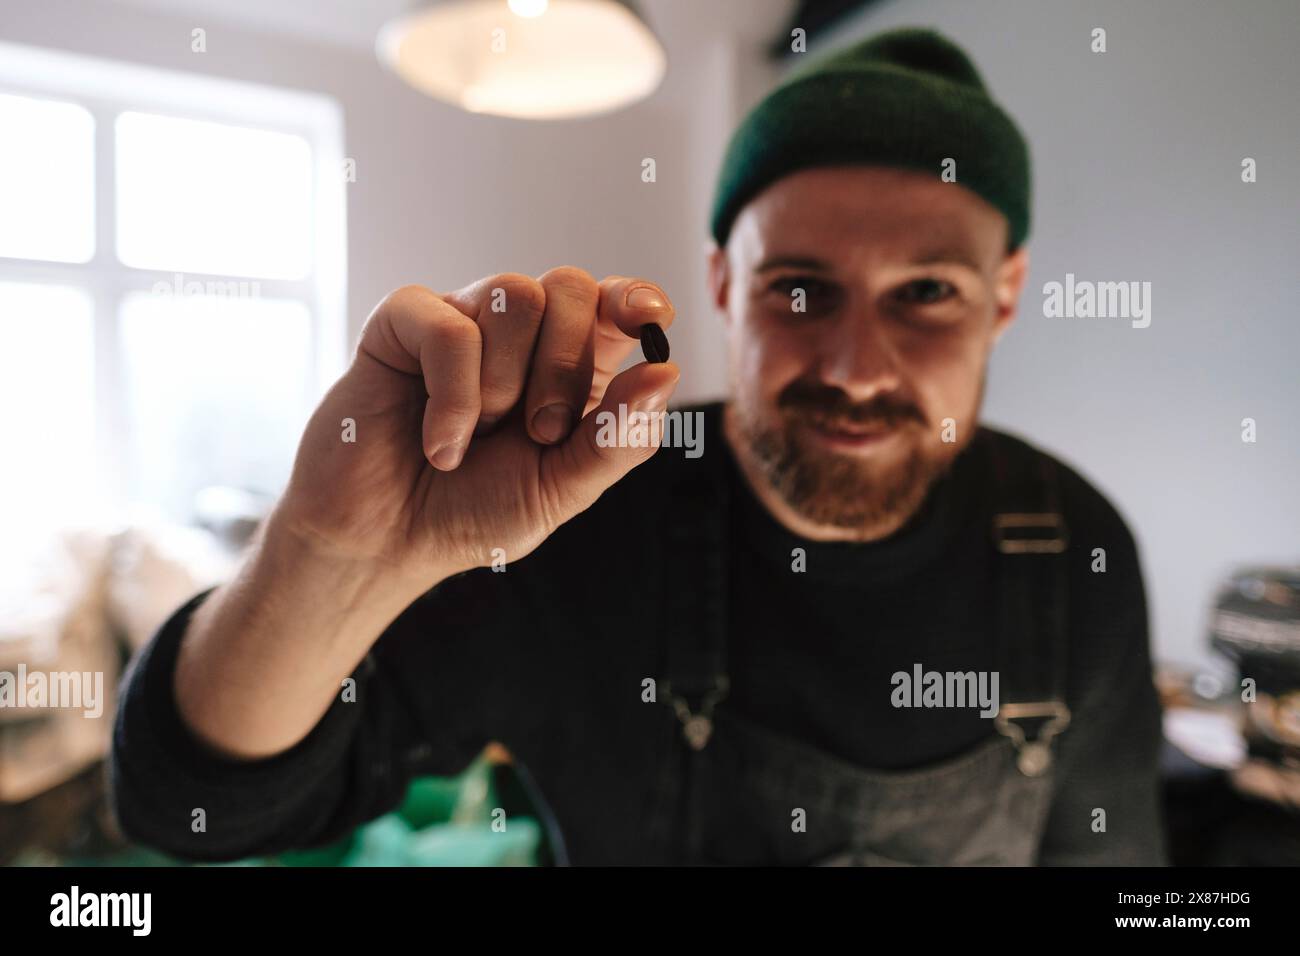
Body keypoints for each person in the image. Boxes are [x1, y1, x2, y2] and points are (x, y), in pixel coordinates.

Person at [110, 27, 1166, 865]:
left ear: (1007, 295)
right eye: (798, 288)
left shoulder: (1071, 546)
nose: (854, 365)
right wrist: (324, 555)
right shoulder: (576, 510)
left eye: (926, 292)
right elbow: (195, 805)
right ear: (718, 285)